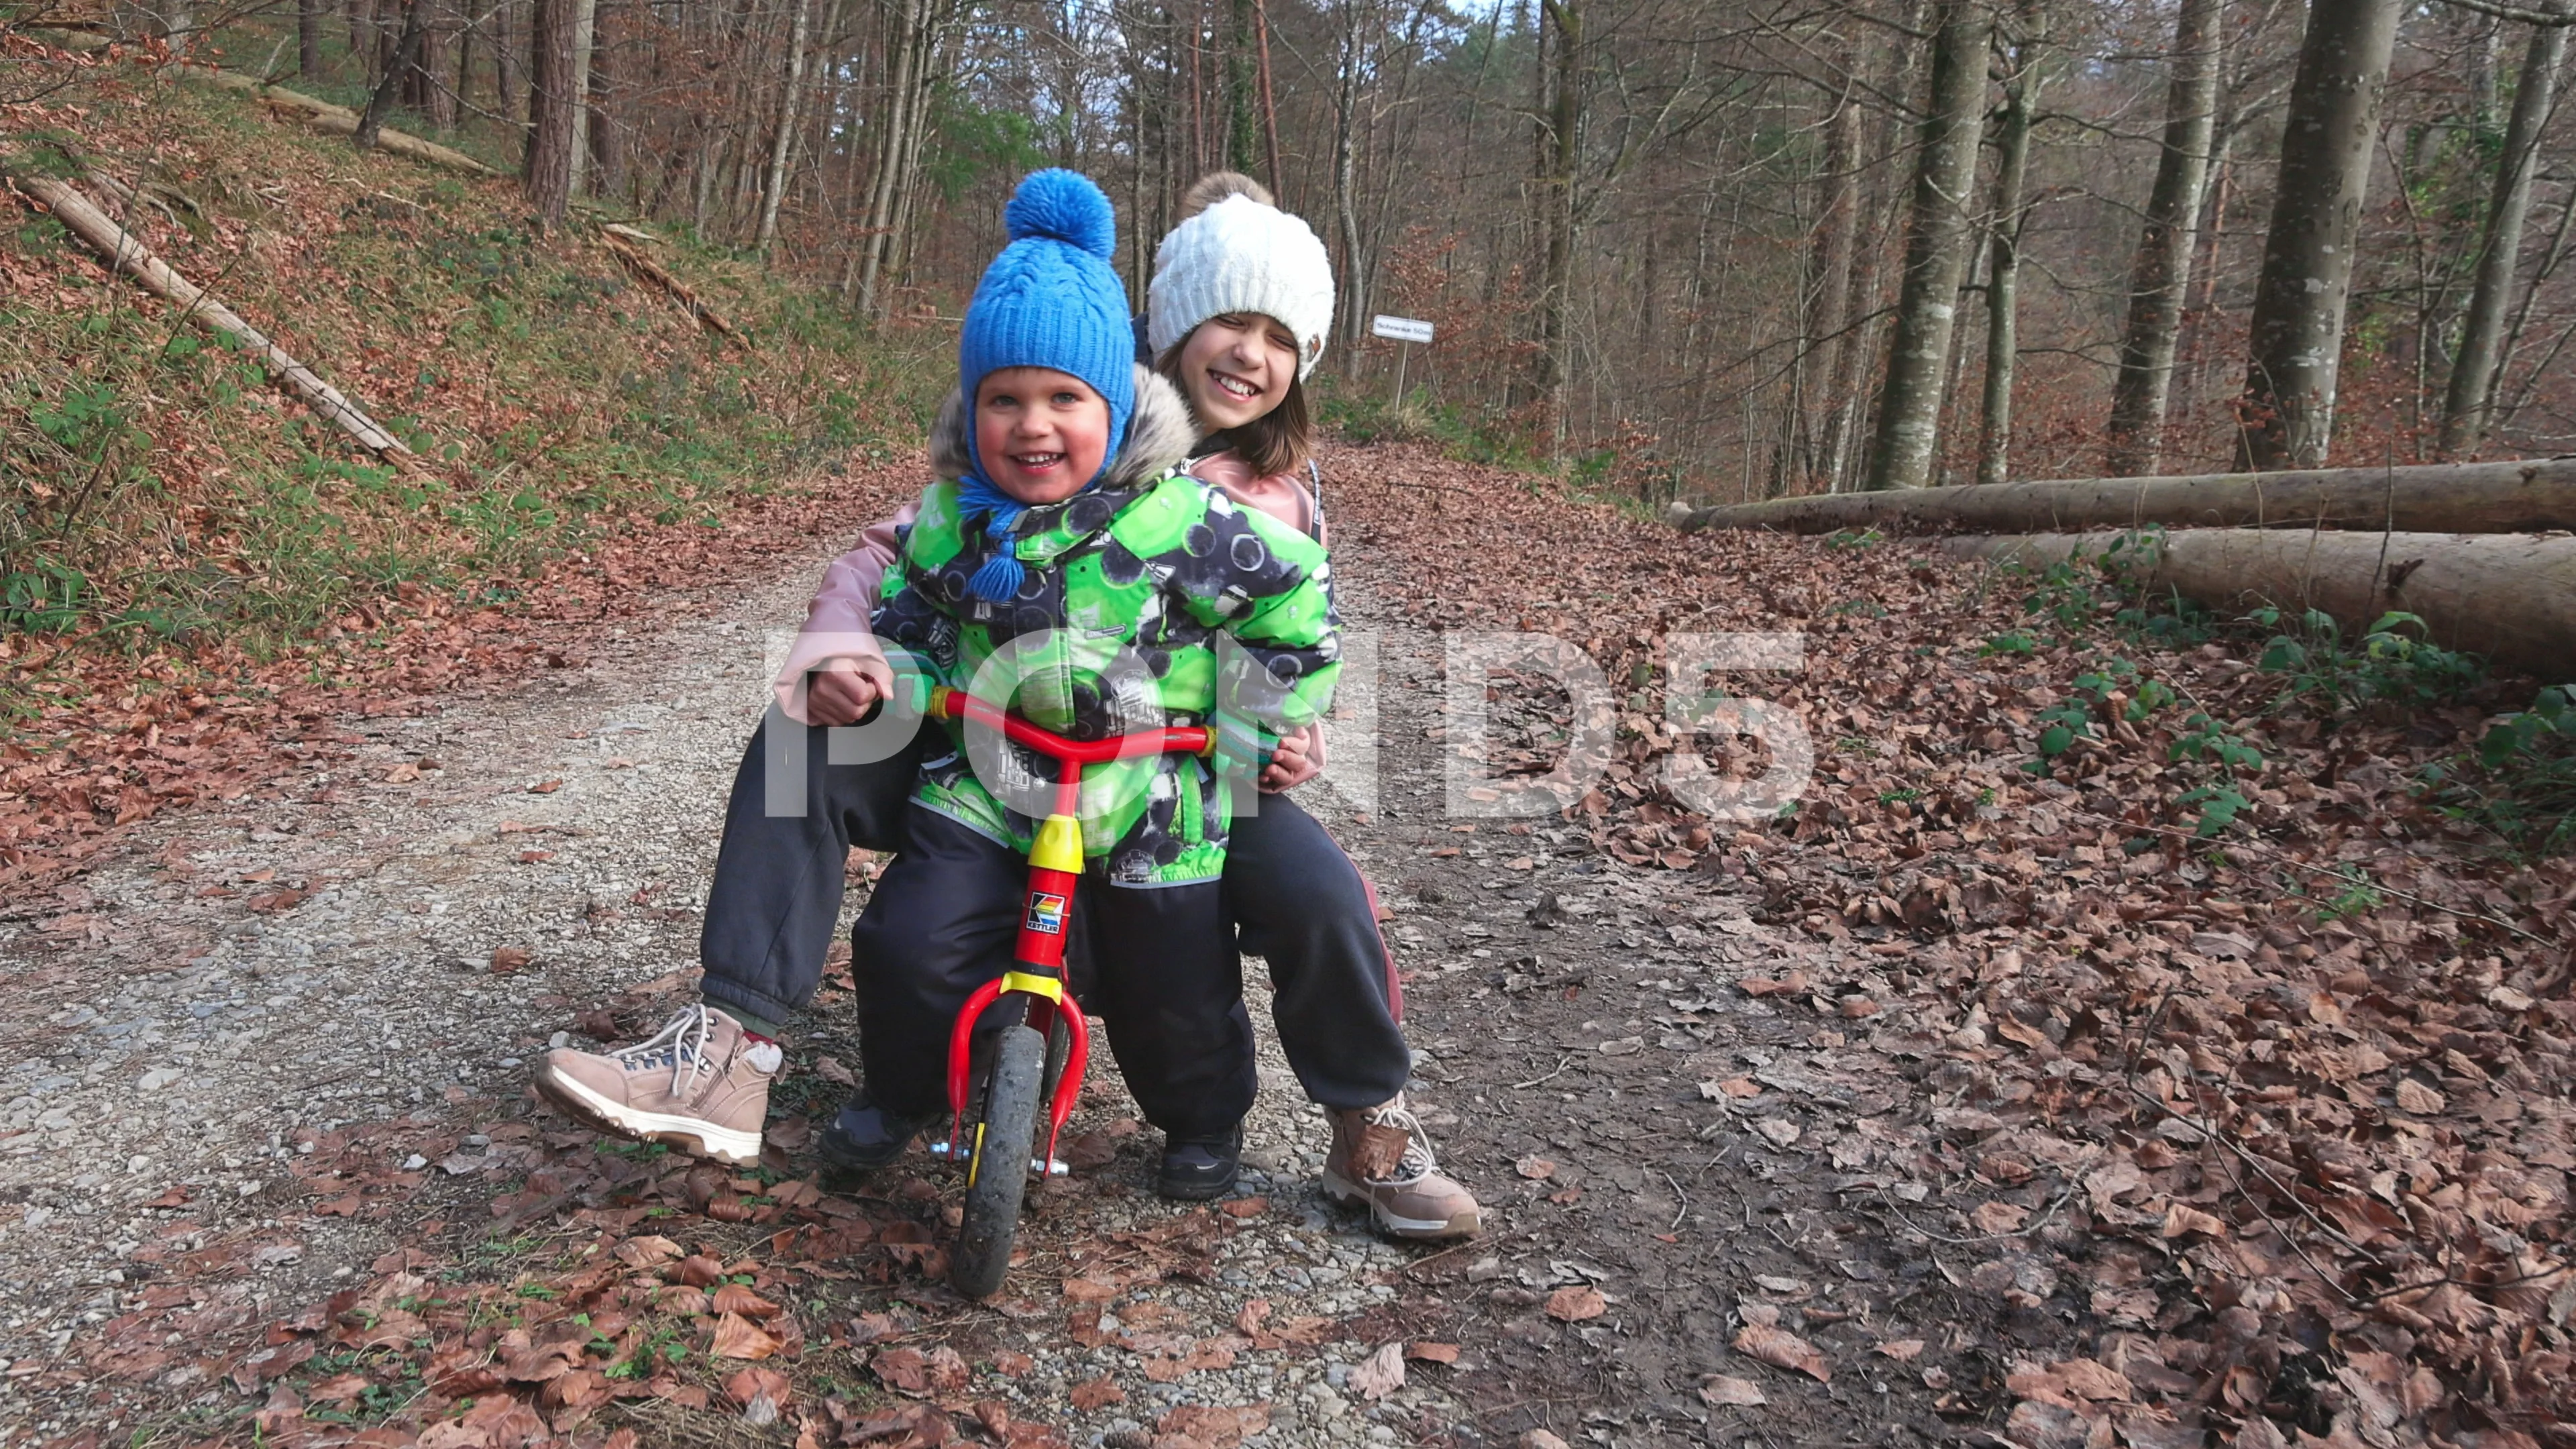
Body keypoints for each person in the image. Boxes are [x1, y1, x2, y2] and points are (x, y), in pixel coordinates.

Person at [535, 172, 1481, 1240]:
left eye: (1279, 336)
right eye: (1227, 321)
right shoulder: (1036, 437)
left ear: (1305, 361)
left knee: (1319, 892)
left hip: (1184, 765)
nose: (1249, 355)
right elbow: (897, 554)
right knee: (807, 734)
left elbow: (1302, 629)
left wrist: (1275, 723)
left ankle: (1369, 1122)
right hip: (991, 730)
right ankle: (732, 1044)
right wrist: (844, 642)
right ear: (1159, 338)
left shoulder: (1273, 499)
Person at [841, 168, 1339, 1205]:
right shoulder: (955, 520)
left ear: (1115, 411)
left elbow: (1291, 604)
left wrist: (1259, 718)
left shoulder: (1179, 519)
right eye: (1003, 401)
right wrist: (897, 676)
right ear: (969, 411)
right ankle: (901, 1090)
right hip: (991, 777)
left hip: (1151, 794)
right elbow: (910, 614)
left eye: (1065, 400)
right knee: (910, 939)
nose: (1033, 426)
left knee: (1177, 983)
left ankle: (1202, 1121)